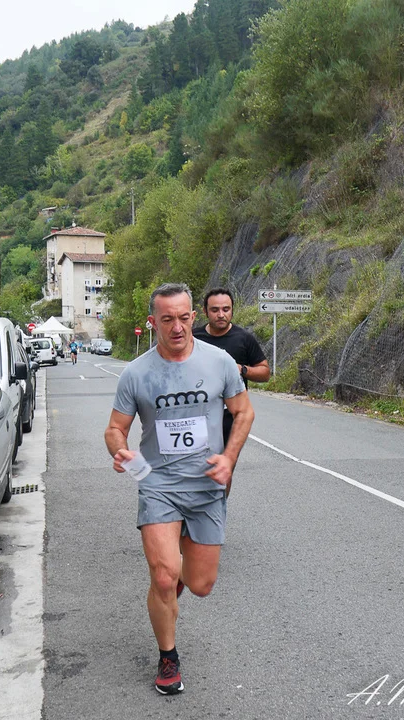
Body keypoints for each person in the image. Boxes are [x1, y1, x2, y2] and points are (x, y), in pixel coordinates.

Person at [104, 282, 254, 696]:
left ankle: (176, 580)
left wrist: (229, 458)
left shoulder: (220, 362)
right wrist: (120, 451)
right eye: (167, 319)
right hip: (158, 485)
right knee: (164, 575)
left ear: (193, 317)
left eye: (184, 318)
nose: (177, 327)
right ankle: (168, 656)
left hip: (206, 486)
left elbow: (243, 412)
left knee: (201, 584)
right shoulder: (136, 373)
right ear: (153, 322)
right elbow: (115, 428)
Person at [193, 288, 270, 496]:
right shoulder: (193, 338)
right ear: (205, 312)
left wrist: (241, 369)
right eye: (215, 310)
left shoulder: (243, 338)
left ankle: (219, 508)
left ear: (232, 310)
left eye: (226, 309)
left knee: (223, 470)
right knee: (196, 469)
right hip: (198, 415)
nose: (221, 314)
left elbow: (265, 372)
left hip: (230, 416)